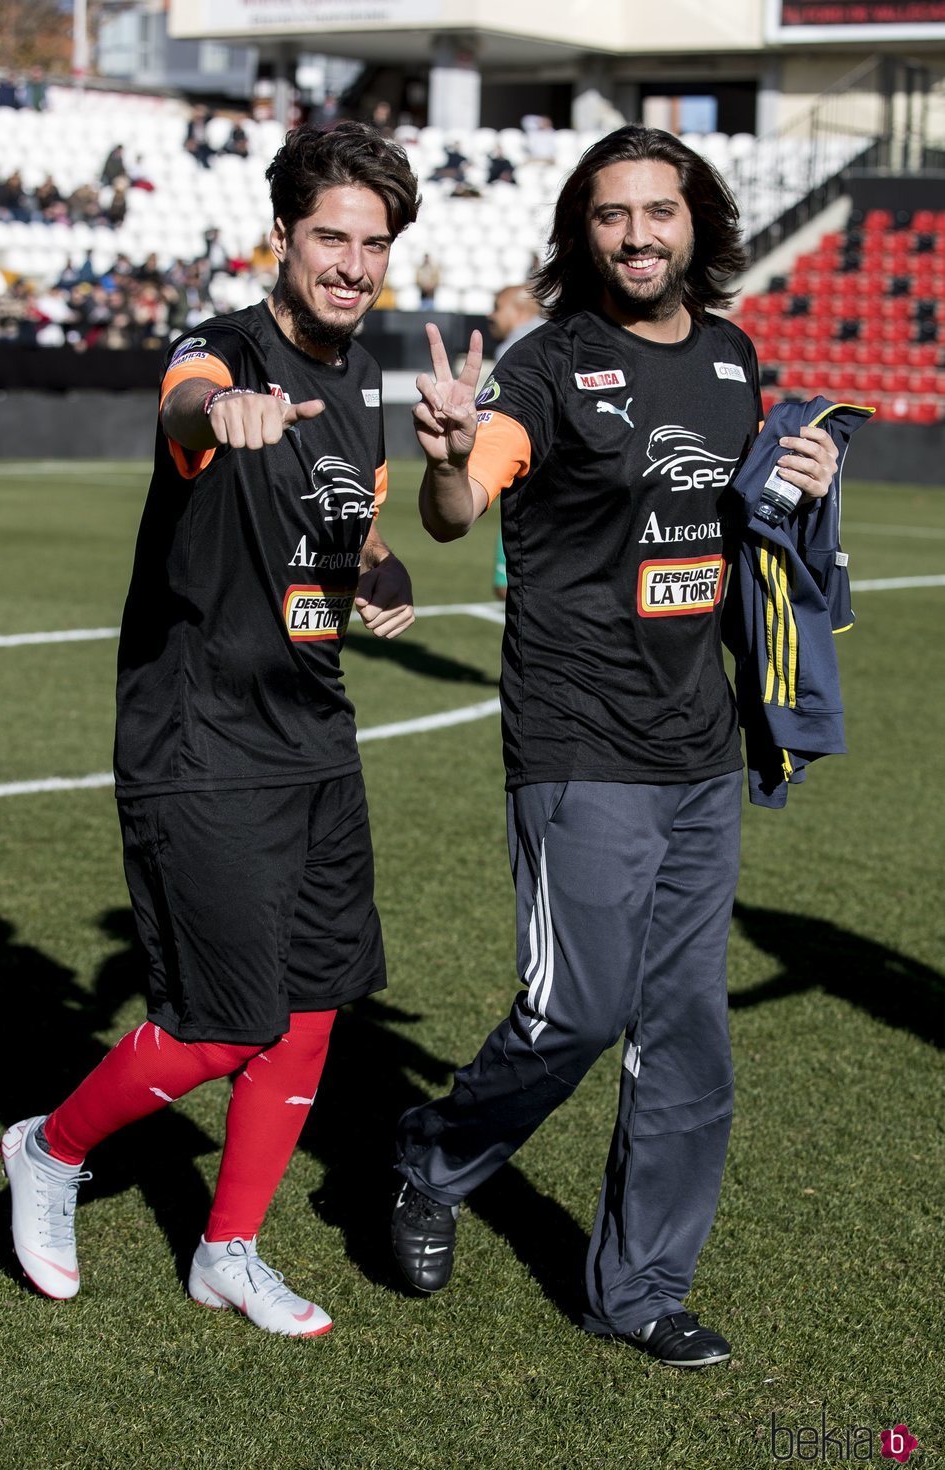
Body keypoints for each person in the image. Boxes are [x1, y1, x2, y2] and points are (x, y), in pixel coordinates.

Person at [391, 125, 838, 1367]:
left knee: (684, 1026)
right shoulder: (547, 364)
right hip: (578, 738)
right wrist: (440, 460)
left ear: (696, 219)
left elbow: (737, 517)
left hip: (699, 744)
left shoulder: (735, 358)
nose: (636, 235)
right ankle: (433, 1157)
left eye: (658, 211)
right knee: (576, 1009)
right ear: (578, 232)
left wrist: (793, 477)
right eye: (609, 216)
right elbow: (461, 497)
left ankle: (636, 1288)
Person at [1, 122, 421, 1340]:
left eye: (372, 245)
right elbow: (190, 409)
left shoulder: (363, 379)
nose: (350, 263)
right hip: (201, 736)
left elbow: (356, 523)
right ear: (280, 236)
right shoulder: (223, 350)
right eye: (329, 237)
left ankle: (227, 1249)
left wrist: (380, 574)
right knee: (225, 1020)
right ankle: (51, 1147)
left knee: (314, 1002)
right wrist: (221, 415)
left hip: (314, 733)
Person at [485, 284, 544, 600]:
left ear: (520, 311)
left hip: (532, 482)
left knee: (511, 586)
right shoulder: (559, 337)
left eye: (497, 306)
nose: (490, 315)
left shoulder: (521, 346)